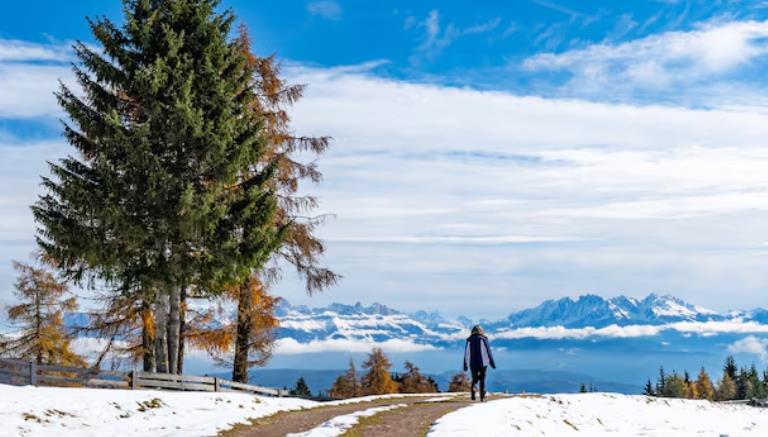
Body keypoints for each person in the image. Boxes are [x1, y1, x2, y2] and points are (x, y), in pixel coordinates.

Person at [463, 324, 496, 401]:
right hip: (483, 362)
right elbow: (488, 352)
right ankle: (482, 396)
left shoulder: (469, 340)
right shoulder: (483, 339)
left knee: (474, 378)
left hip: (472, 363)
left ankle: (473, 393)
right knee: (482, 379)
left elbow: (466, 354)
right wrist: (492, 363)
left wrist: (465, 365)